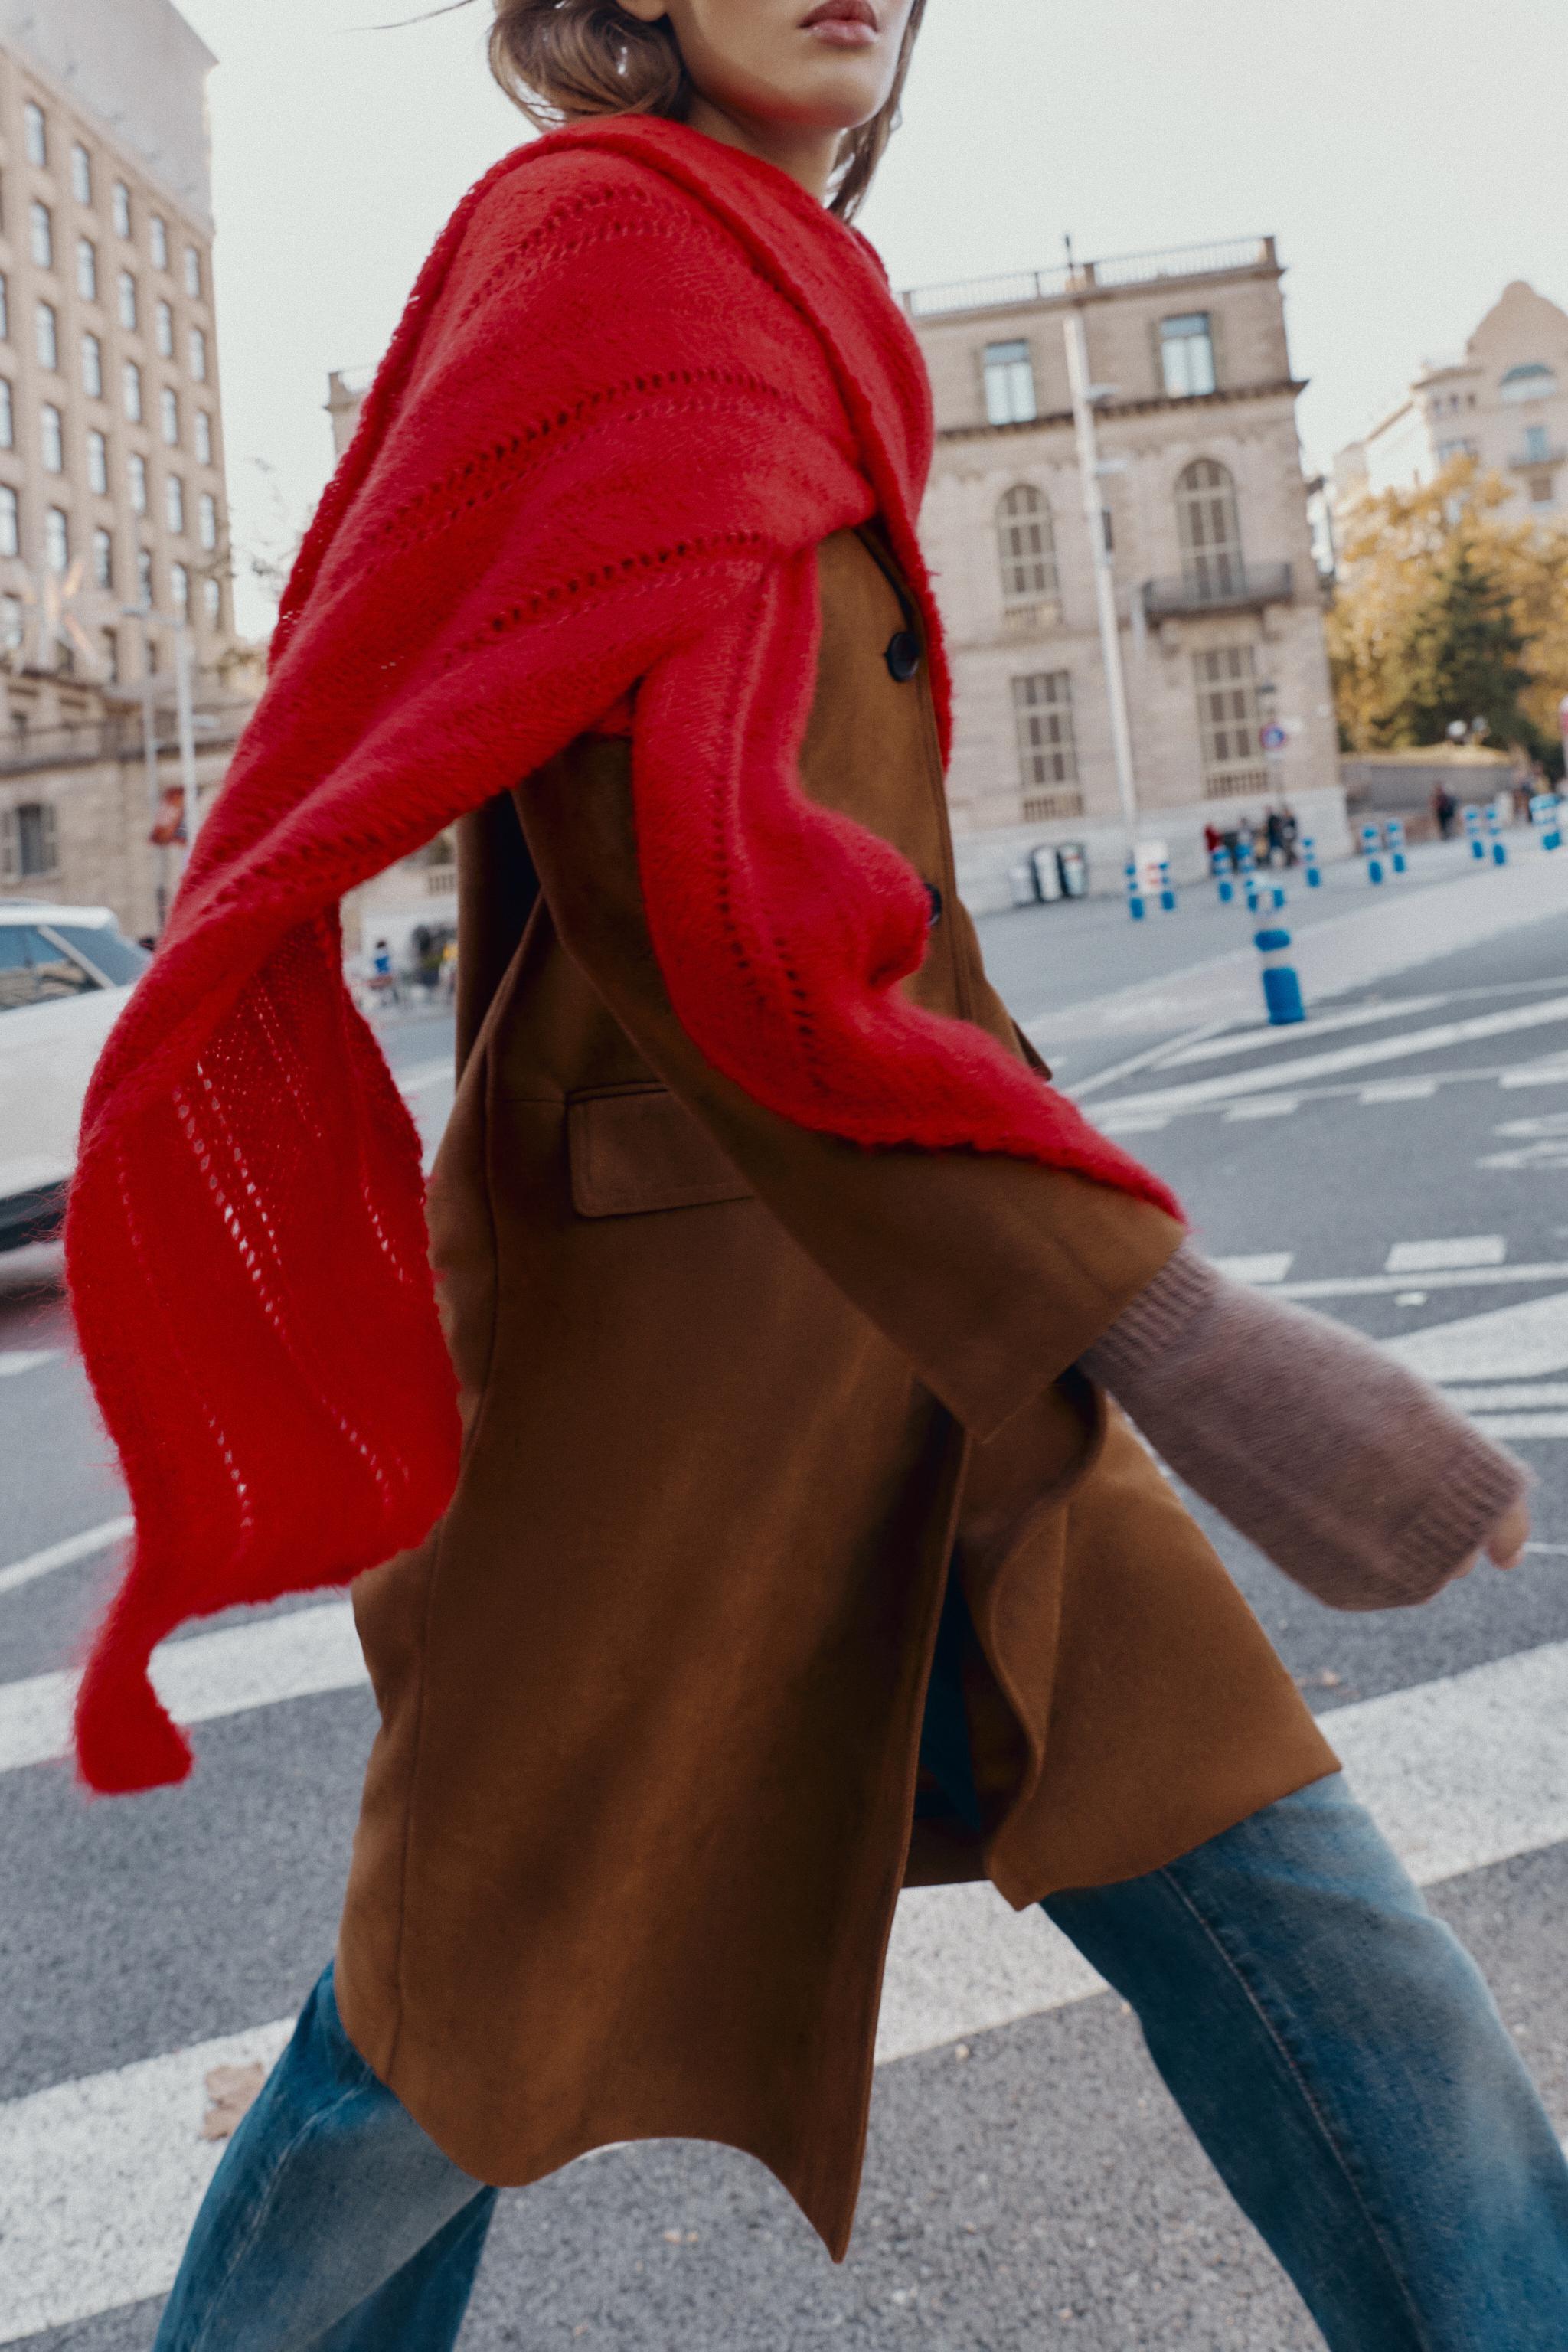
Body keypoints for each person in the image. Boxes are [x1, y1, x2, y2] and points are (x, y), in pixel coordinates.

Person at [60, 6, 1566, 2348]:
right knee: (437, 2071)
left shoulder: (765, 270)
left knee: (1317, 1935)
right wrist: (1191, 1334)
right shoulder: (608, 259)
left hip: (941, 1347)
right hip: (672, 1391)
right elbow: (729, 910)